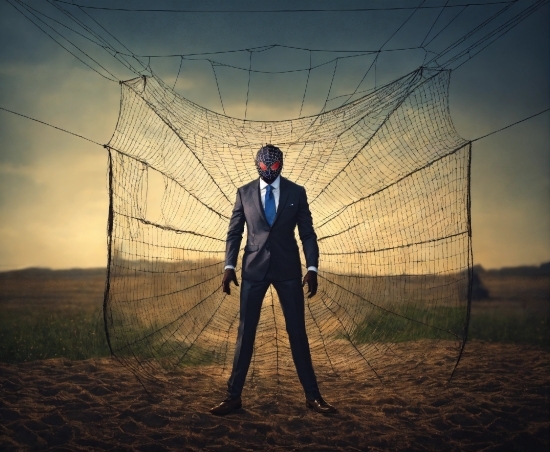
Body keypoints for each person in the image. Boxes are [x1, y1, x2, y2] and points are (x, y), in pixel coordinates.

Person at [210, 144, 336, 415]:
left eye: (273, 166)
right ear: (257, 165)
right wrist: (229, 265)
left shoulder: (296, 192)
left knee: (297, 332)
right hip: (254, 270)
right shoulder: (244, 193)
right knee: (246, 333)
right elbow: (234, 232)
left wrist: (312, 267)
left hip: (288, 270)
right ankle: (233, 397)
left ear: (280, 164)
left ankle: (313, 397)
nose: (269, 170)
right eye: (264, 166)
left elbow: (308, 234)